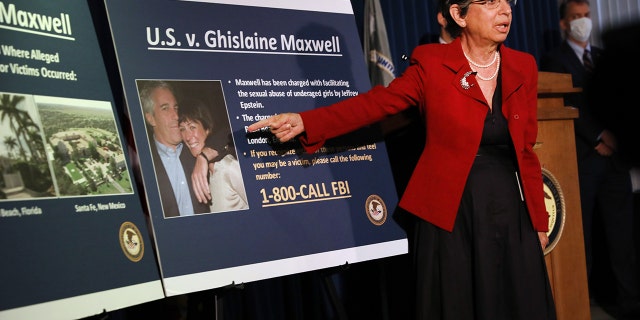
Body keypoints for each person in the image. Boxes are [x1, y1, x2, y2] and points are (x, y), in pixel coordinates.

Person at [248, 0, 556, 319]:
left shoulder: (524, 66)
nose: (505, 10)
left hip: (508, 210)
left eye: (508, 1)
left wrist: (538, 220)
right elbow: (375, 105)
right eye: (490, 2)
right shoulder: (432, 62)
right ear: (458, 15)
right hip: (450, 214)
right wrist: (306, 121)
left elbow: (526, 152)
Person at [540, 1, 640, 316]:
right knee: (580, 238)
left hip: (614, 163)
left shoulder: (601, 57)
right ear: (563, 24)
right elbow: (568, 104)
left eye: (587, 16)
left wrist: (617, 137)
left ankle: (629, 303)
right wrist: (599, 136)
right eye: (576, 17)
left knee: (622, 235)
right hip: (581, 160)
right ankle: (580, 302)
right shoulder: (554, 60)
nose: (583, 21)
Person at [139, 80, 218, 217]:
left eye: (176, 107)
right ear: (151, 118)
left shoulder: (195, 147)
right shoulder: (142, 162)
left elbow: (227, 134)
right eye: (165, 108)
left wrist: (203, 156)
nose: (176, 116)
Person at [178, 98, 249, 213]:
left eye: (192, 127)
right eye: (182, 129)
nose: (187, 136)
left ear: (207, 129)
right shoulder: (208, 173)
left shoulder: (229, 167)